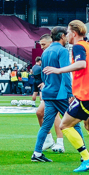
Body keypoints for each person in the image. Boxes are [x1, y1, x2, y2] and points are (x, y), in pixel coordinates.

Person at [42, 20, 89, 172]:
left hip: (87, 93)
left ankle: (87, 158)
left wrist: (59, 70)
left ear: (74, 33)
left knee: (64, 125)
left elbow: (81, 64)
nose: (66, 34)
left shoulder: (78, 46)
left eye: (68, 31)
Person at [31, 27, 83, 161]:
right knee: (75, 122)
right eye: (65, 36)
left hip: (48, 92)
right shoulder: (63, 51)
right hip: (60, 93)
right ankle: (85, 155)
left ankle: (36, 153)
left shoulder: (45, 52)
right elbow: (65, 71)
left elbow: (43, 73)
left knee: (46, 125)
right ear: (61, 36)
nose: (67, 38)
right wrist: (70, 92)